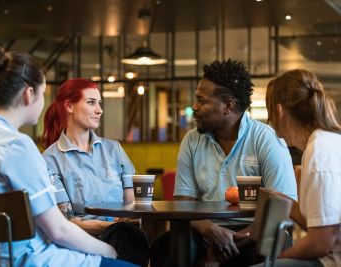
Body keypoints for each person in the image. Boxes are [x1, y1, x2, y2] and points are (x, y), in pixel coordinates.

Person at [0, 47, 138, 267]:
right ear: (29, 94)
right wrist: (109, 251)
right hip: (35, 260)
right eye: (43, 93)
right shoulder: (17, 147)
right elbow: (59, 230)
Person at [150, 59, 297, 267]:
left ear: (228, 106)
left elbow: (283, 210)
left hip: (252, 233)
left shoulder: (266, 140)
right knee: (164, 246)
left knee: (273, 244)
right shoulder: (192, 140)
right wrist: (210, 230)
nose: (194, 107)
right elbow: (183, 206)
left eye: (202, 100)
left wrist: (235, 239)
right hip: (204, 231)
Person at [41, 78, 149, 267]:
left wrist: (129, 218)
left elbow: (131, 205)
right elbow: (65, 223)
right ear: (69, 106)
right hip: (80, 244)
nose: (99, 109)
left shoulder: (114, 149)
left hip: (122, 236)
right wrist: (111, 226)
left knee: (149, 243)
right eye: (91, 102)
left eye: (99, 103)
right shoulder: (50, 159)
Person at [252, 69, 341, 267]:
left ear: (279, 111)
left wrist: (277, 259)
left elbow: (321, 242)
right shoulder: (326, 142)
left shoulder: (320, 150)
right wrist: (287, 203)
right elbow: (322, 226)